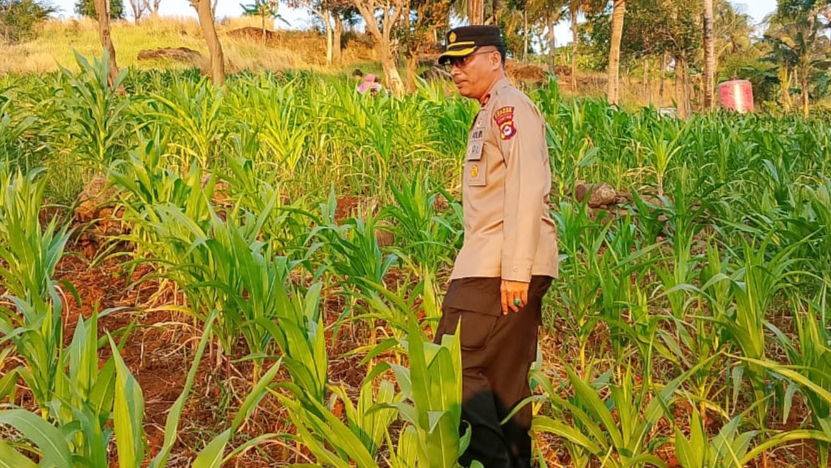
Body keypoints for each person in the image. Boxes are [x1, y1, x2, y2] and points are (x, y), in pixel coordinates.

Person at [433, 25, 559, 468]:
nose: (455, 70)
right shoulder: (491, 110)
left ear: (494, 59)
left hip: (498, 267)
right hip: (504, 263)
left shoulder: (509, 107)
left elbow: (527, 185)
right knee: (506, 383)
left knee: (450, 367)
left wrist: (516, 271)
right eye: (451, 63)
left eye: (464, 60)